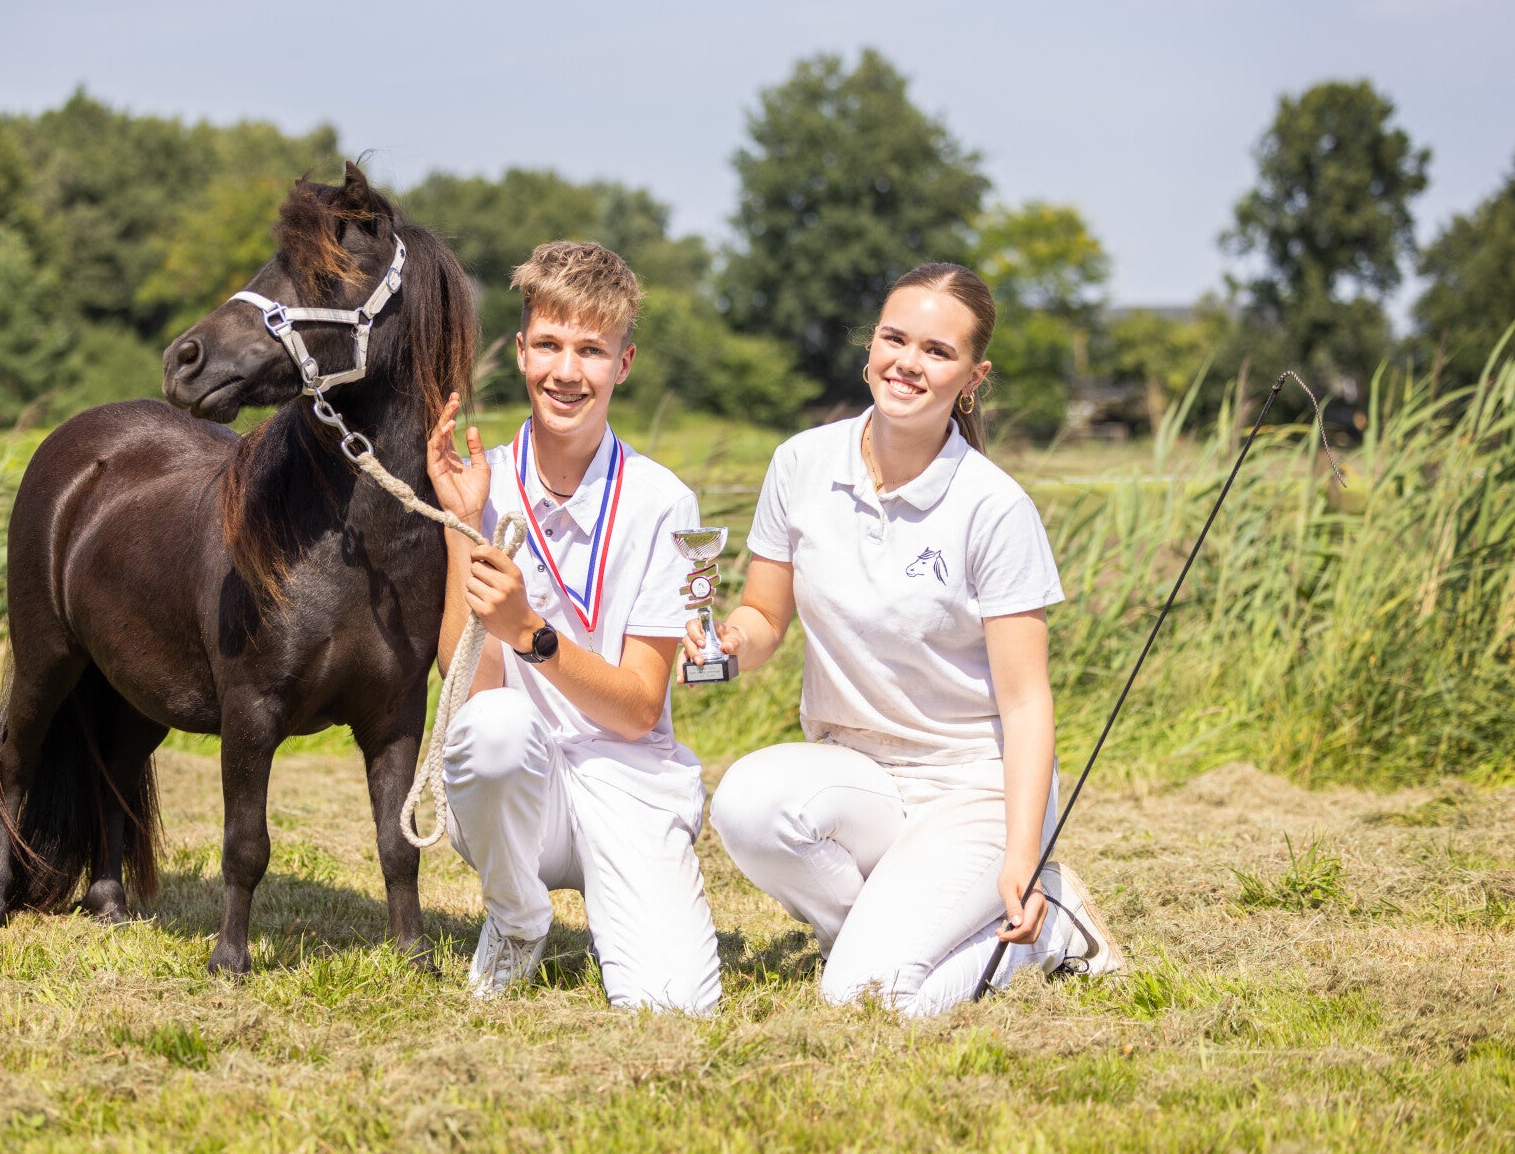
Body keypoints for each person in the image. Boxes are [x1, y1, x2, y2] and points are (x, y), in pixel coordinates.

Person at [695, 262, 1123, 1018]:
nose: (907, 363)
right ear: (870, 347)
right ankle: (883, 932)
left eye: (937, 350)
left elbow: (1027, 705)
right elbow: (764, 616)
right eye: (894, 339)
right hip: (857, 771)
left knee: (868, 1000)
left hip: (972, 788)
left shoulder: (994, 507)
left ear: (972, 378)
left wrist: (1023, 856)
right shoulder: (800, 463)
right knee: (746, 802)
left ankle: (1050, 926)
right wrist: (726, 641)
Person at [424, 240, 721, 1013]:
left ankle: (627, 906)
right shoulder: (480, 483)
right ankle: (517, 918)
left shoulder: (663, 502)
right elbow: (469, 693)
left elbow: (638, 708)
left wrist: (531, 630)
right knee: (491, 727)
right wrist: (462, 525)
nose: (566, 371)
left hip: (628, 779)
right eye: (549, 345)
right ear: (521, 351)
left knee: (673, 1006)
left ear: (623, 363)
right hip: (516, 786)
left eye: (590, 350)